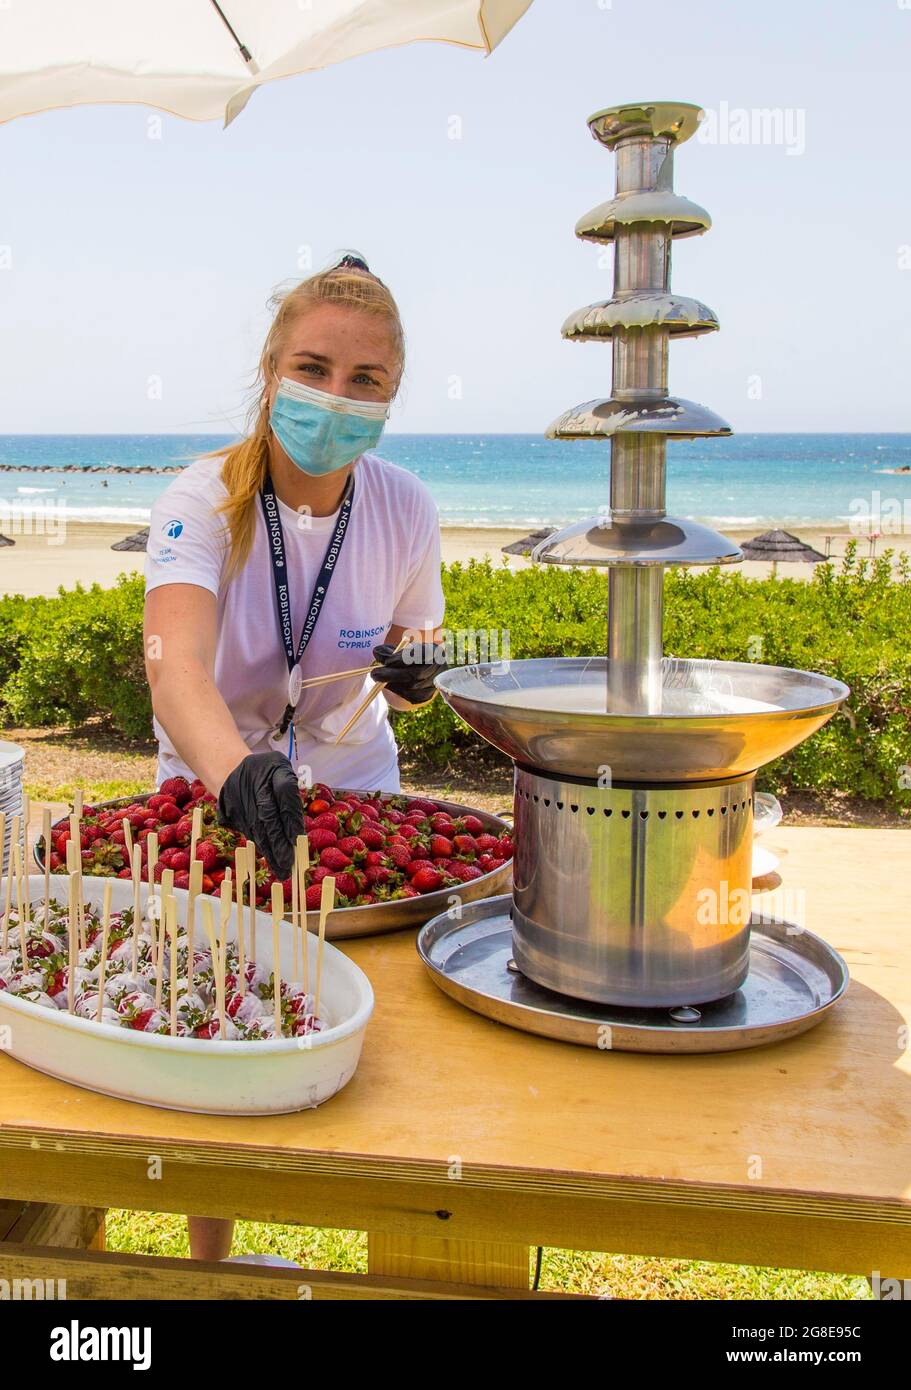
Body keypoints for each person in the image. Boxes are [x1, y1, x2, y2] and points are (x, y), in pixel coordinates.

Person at [143, 254, 446, 1259]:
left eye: (366, 382)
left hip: (359, 802)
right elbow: (174, 663)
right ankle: (214, 1263)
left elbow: (422, 635)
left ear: (390, 397)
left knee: (382, 1040)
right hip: (212, 801)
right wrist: (233, 771)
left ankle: (395, 1255)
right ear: (271, 368)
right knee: (220, 1027)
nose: (335, 396)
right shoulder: (200, 499)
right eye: (313, 367)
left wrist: (419, 671)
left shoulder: (405, 505)